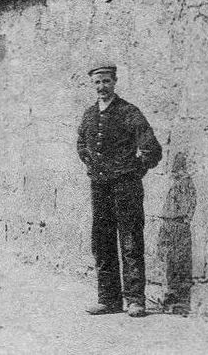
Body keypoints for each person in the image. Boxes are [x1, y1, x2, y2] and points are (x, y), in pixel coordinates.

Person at [76, 64, 162, 318]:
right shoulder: (90, 114)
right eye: (97, 83)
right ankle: (108, 299)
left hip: (126, 187)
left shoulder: (129, 112)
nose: (102, 87)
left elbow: (151, 150)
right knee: (102, 240)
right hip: (100, 186)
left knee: (130, 239)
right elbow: (81, 143)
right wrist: (91, 163)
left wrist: (133, 171)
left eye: (106, 81)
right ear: (92, 85)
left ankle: (136, 300)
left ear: (115, 82)